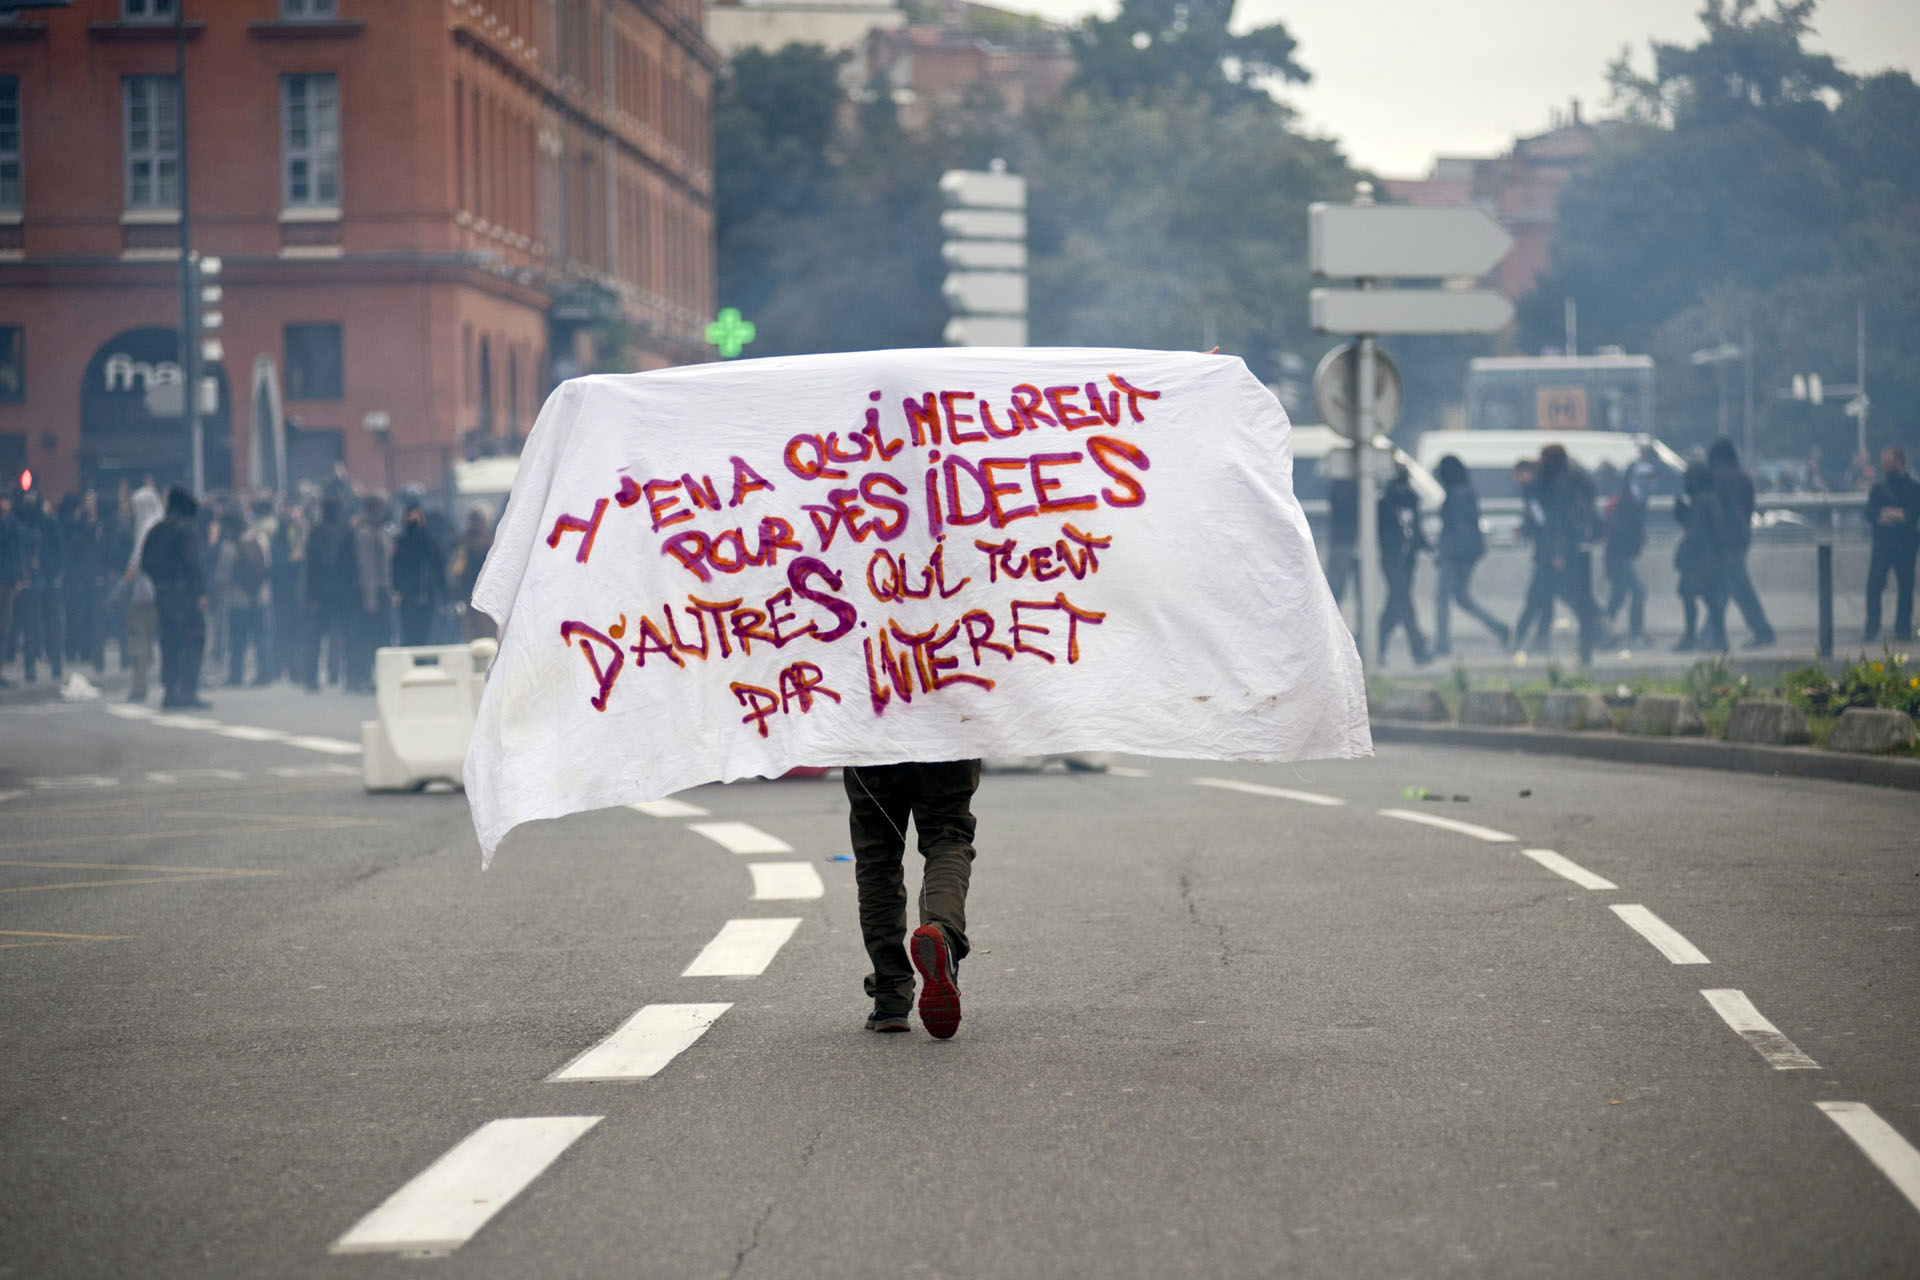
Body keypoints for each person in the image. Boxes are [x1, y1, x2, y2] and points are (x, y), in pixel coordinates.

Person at [843, 760, 979, 1038]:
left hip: (871, 737)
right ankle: (942, 933)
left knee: (877, 860)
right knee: (948, 837)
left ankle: (891, 993)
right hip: (943, 737)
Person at [1528, 444, 1602, 667]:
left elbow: (1559, 521)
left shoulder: (1558, 484)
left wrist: (1558, 553)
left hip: (1565, 549)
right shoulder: (1578, 479)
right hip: (1583, 545)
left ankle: (1595, 635)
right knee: (1582, 596)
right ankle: (1589, 645)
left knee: (1570, 593)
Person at [140, 485, 210, 709]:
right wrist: (200, 591)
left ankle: (170, 691)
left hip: (162, 593)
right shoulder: (186, 529)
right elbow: (193, 563)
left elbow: (145, 563)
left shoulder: (156, 529)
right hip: (184, 593)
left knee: (169, 641)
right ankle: (187, 690)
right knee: (193, 638)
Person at [1431, 456, 1507, 655]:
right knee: (1462, 599)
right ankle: (1500, 628)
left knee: (1442, 600)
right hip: (1461, 556)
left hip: (1454, 557)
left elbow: (1459, 529)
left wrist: (1455, 556)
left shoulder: (1457, 495)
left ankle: (1442, 645)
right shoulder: (1465, 492)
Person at [1707, 438, 1775, 647]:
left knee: (1734, 587)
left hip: (1723, 541)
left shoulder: (1716, 480)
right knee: (1727, 586)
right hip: (1741, 539)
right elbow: (1747, 510)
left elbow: (1715, 513)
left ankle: (1762, 630)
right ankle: (1710, 633)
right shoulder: (1744, 479)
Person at [1863, 446, 1920, 644]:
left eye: (1887, 462)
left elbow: (1910, 516)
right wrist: (1897, 514)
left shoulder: (1914, 488)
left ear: (1899, 462)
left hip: (1905, 547)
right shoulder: (1878, 489)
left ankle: (1902, 630)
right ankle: (1871, 629)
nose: (1883, 466)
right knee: (1873, 587)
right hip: (1882, 546)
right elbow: (1871, 513)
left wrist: (1887, 513)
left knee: (1905, 588)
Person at [1376, 462, 1430, 665]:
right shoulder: (1383, 503)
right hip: (1391, 558)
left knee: (1395, 605)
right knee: (1404, 602)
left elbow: (1417, 528)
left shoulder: (1411, 498)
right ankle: (1418, 648)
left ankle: (1374, 646)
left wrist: (1427, 546)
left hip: (1408, 559)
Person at [1672, 461, 1729, 652]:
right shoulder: (1704, 500)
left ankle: (1707, 639)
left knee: (1705, 599)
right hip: (1702, 558)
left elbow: (1701, 531)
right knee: (1700, 598)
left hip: (1702, 559)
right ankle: (1710, 638)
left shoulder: (1705, 500)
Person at [302, 496, 357, 690]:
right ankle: (351, 677)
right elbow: (352, 566)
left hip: (321, 594)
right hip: (343, 593)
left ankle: (311, 679)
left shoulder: (316, 533)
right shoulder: (346, 532)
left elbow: (311, 567)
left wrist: (311, 595)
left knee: (316, 636)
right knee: (347, 636)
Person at [1603, 452, 1656, 648]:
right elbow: (1621, 530)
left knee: (1618, 595)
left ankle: (1601, 631)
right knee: (1638, 591)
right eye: (1647, 479)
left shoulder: (1639, 500)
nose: (1652, 483)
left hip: (1623, 555)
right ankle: (1636, 635)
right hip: (1618, 556)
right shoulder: (1628, 501)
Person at [212, 509, 270, 686]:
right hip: (261, 597)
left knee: (237, 641)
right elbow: (267, 566)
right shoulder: (261, 540)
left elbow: (222, 577)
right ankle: (264, 674)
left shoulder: (229, 547)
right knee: (260, 638)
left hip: (238, 600)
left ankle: (236, 675)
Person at [122, 483, 163, 703]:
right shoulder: (161, 524)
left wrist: (121, 587)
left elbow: (136, 560)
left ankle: (139, 687)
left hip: (143, 596)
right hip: (161, 594)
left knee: (139, 642)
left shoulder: (146, 527)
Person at [1509, 457, 1554, 653]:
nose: (1517, 480)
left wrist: (1526, 530)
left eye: (1518, 475)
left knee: (1535, 598)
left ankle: (1519, 636)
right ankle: (1541, 639)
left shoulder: (1533, 493)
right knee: (1546, 600)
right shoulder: (1540, 490)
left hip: (1546, 555)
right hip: (1550, 553)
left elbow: (1542, 522)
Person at [389, 501, 447, 647]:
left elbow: (439, 565)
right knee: (409, 633)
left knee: (427, 633)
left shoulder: (430, 542)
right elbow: (395, 567)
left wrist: (444, 593)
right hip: (408, 595)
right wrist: (396, 589)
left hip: (428, 594)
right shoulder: (401, 543)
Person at [1322, 474, 1358, 605]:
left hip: (1344, 540)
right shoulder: (1344, 487)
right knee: (1336, 586)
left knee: (1337, 585)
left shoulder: (1339, 484)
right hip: (1343, 540)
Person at [0, 493, 19, 686]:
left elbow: (16, 549)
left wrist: (18, 576)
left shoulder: (12, 522)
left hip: (8, 579)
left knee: (4, 628)